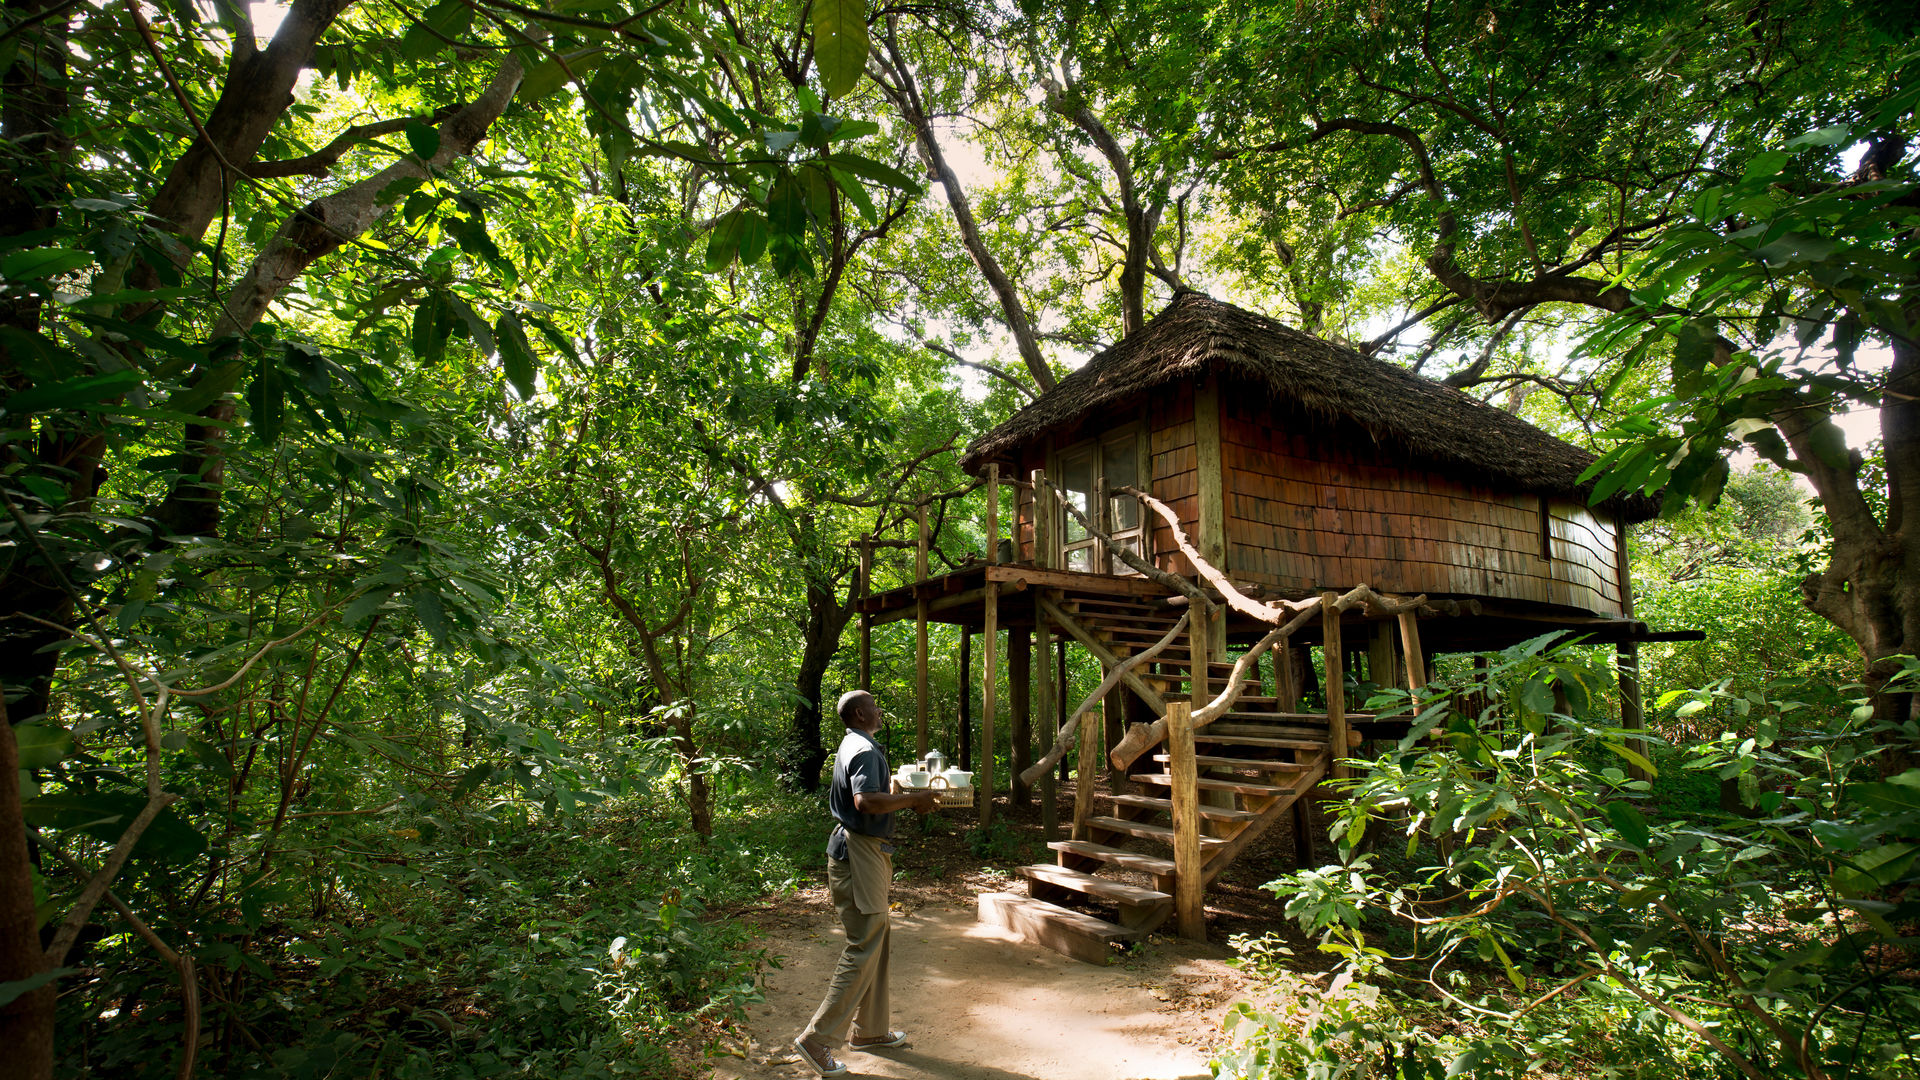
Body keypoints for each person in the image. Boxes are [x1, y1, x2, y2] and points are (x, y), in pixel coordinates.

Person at [794, 690, 938, 1077]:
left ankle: (870, 1031)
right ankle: (817, 1039)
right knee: (864, 944)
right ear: (860, 713)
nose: (879, 710)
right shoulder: (864, 749)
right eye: (874, 706)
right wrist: (913, 800)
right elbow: (865, 802)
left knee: (878, 937)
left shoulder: (855, 744)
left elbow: (871, 795)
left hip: (863, 851)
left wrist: (899, 790)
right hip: (859, 854)